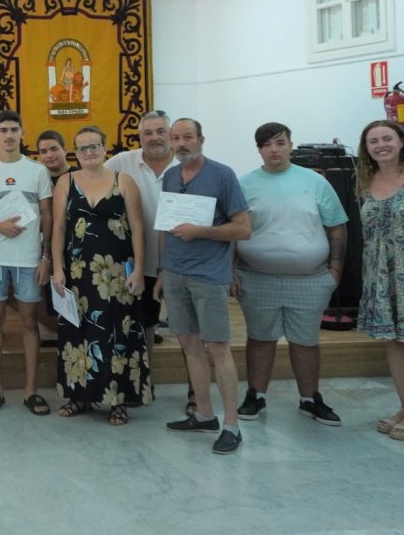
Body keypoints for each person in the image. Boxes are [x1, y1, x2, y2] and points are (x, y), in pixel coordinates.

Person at [233, 122, 346, 427]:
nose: (274, 149)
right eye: (267, 145)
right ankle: (255, 395)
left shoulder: (315, 182)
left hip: (309, 278)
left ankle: (310, 400)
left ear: (290, 145)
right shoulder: (244, 184)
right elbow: (233, 230)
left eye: (280, 143)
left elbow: (336, 226)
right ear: (259, 149)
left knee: (306, 341)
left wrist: (335, 269)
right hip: (256, 277)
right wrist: (230, 270)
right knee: (259, 338)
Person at [154, 118, 251, 455]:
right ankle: (204, 414)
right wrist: (164, 271)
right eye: (175, 138)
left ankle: (231, 425)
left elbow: (243, 229)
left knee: (218, 348)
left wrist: (202, 231)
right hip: (176, 272)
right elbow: (167, 227)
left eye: (188, 137)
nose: (181, 143)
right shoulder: (169, 175)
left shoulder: (222, 175)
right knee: (189, 344)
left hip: (208, 275)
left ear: (202, 139)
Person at [50, 126, 152, 425]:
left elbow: (137, 228)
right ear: (75, 153)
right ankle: (79, 396)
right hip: (78, 273)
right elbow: (57, 228)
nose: (89, 152)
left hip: (117, 275)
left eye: (94, 146)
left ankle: (118, 400)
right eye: (82, 148)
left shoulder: (125, 181)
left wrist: (140, 273)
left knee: (116, 334)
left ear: (105, 148)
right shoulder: (66, 182)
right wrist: (57, 267)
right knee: (78, 333)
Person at [0, 110, 52, 414]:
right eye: (3, 130)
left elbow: (48, 214)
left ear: (22, 133)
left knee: (30, 323)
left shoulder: (37, 172)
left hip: (29, 258)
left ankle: (31, 390)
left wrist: (45, 256)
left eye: (14, 130)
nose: (8, 135)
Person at [105, 110, 175, 351]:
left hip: (180, 264)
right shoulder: (121, 162)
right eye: (148, 133)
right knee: (145, 327)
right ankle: (148, 386)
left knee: (189, 331)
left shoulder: (185, 164)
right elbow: (92, 182)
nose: (154, 137)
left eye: (160, 131)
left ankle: (194, 389)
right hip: (140, 264)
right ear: (140, 136)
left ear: (170, 134)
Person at [354, 120, 404, 440]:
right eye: (373, 141)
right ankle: (403, 406)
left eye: (387, 138)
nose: (381, 145)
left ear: (401, 141)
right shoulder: (363, 181)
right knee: (395, 344)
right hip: (381, 275)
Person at [34, 129, 76, 347]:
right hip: (50, 248)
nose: (49, 155)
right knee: (58, 300)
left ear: (65, 149)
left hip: (78, 248)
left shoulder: (80, 175)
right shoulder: (39, 180)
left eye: (53, 149)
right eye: (43, 151)